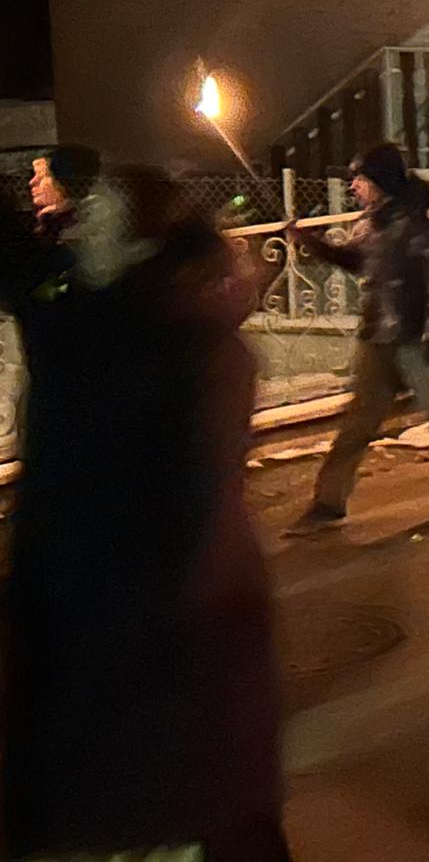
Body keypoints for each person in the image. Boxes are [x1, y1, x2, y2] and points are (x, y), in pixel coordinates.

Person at [2, 168, 289, 859]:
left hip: (146, 621)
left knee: (163, 803)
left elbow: (187, 494)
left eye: (102, 209)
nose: (83, 219)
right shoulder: (109, 315)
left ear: (139, 237)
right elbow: (28, 281)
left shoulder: (156, 338)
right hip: (106, 607)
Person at [285, 143, 429, 534]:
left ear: (380, 182)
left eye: (360, 179)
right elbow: (356, 261)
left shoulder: (415, 228)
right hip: (377, 336)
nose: (354, 186)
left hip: (411, 339)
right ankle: (328, 502)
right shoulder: (372, 224)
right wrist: (310, 242)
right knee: (358, 422)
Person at [28, 143, 100, 239]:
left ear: (64, 181)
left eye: (42, 176)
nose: (32, 182)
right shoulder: (39, 217)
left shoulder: (95, 211)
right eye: (34, 175)